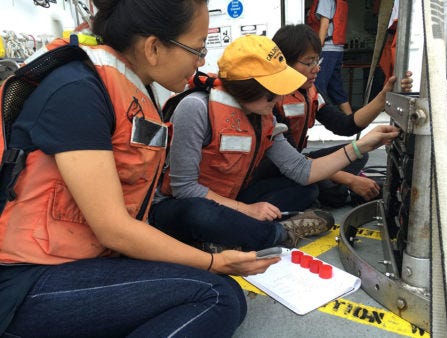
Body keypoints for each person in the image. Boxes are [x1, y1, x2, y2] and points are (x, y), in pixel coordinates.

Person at [0, 1, 281, 337]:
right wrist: (214, 262)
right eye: (197, 48)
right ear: (153, 48)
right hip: (26, 283)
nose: (201, 61)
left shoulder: (135, 89)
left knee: (221, 290)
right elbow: (113, 228)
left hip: (87, 261)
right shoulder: (78, 89)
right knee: (217, 295)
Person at [149, 34, 399, 254]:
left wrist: (362, 146)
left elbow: (303, 171)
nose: (279, 98)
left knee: (306, 190)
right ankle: (277, 235)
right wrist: (247, 210)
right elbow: (185, 189)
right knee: (199, 214)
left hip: (230, 197)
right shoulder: (196, 108)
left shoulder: (264, 114)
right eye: (274, 90)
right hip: (183, 205)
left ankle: (227, 239)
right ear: (248, 88)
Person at [251, 24, 412, 208]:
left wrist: (383, 98)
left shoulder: (310, 92)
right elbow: (292, 161)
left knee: (359, 156)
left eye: (316, 61)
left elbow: (344, 125)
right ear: (284, 63)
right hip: (276, 168)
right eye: (308, 62)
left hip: (300, 161)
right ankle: (348, 191)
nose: (316, 69)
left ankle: (347, 190)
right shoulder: (270, 101)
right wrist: (350, 180)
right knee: (324, 191)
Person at [306, 0, 352, 115]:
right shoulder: (339, 2)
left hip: (326, 49)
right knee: (336, 87)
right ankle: (350, 118)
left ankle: (325, 117)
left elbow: (324, 24)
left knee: (317, 86)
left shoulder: (326, 0)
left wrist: (317, 49)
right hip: (337, 49)